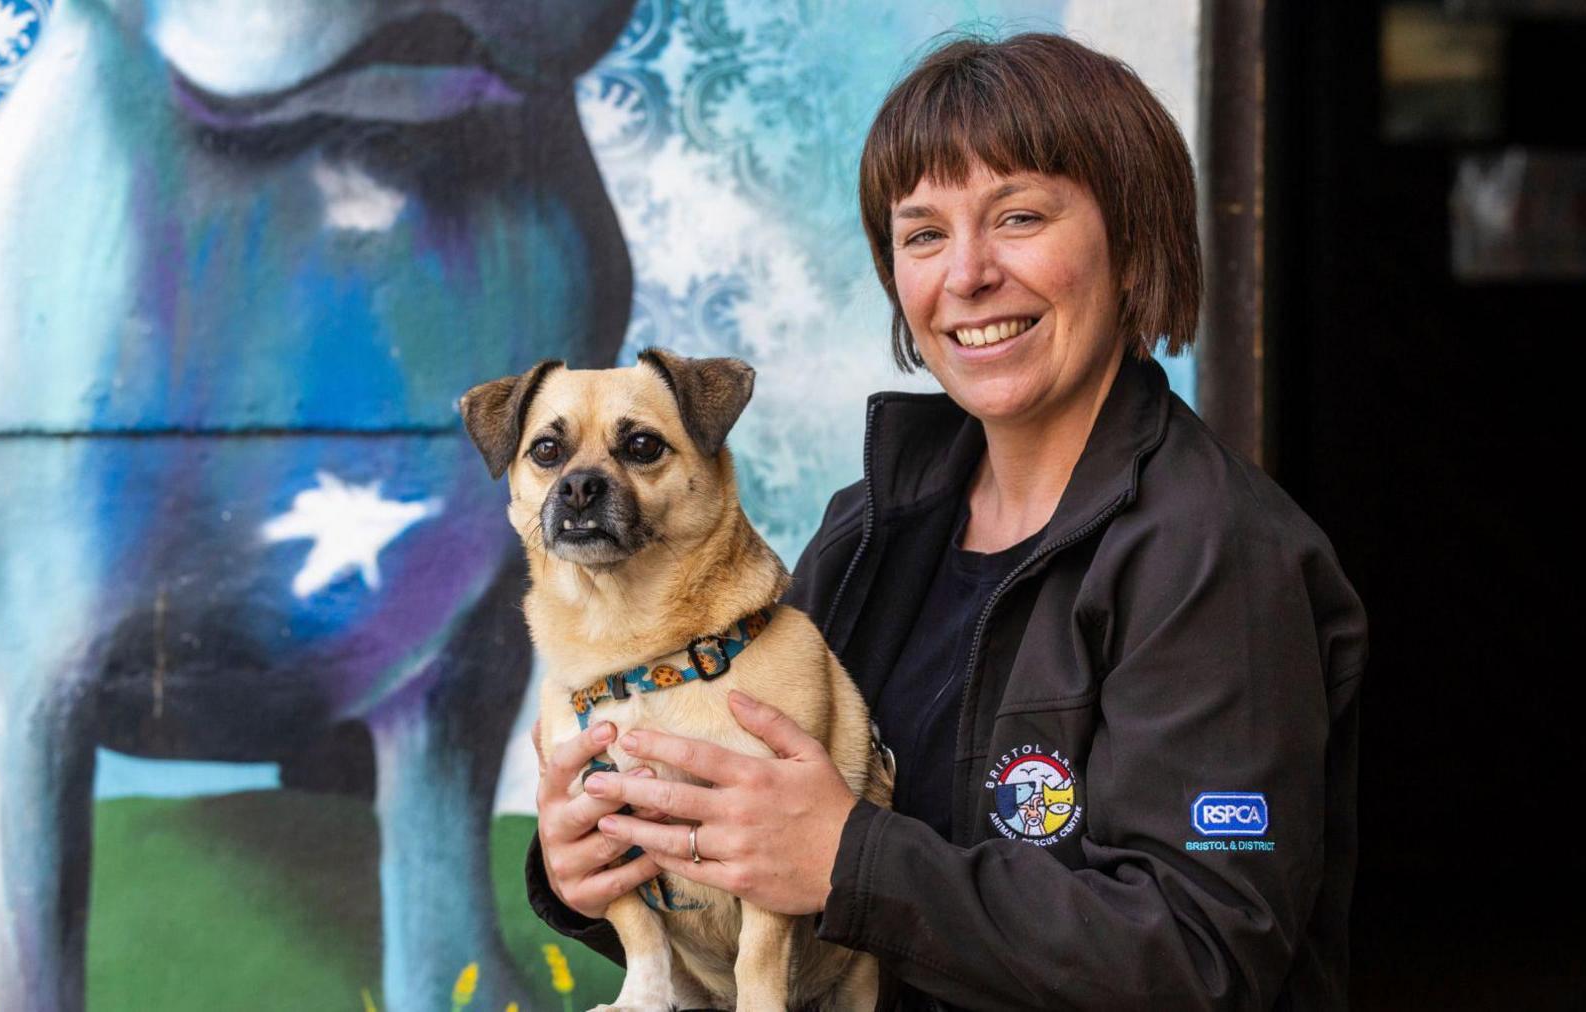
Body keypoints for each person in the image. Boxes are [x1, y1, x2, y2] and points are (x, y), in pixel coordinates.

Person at [524, 32, 1367, 1011]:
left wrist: (855, 860)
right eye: (923, 233)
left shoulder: (1214, 556)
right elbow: (771, 867)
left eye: (1018, 217)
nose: (965, 274)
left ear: (1133, 243)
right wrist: (593, 873)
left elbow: (1200, 955)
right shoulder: (872, 529)